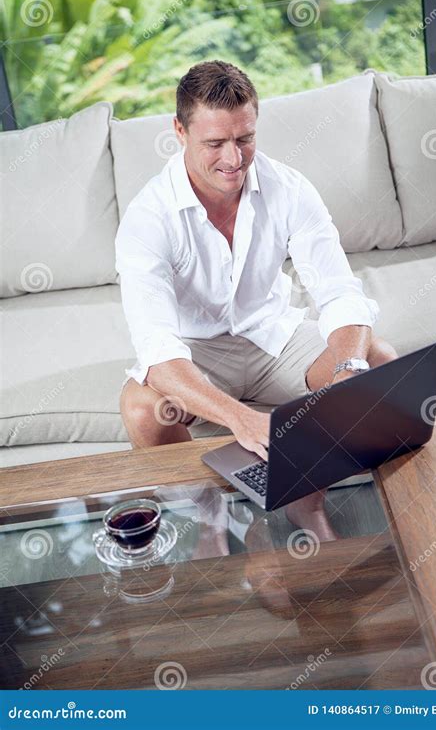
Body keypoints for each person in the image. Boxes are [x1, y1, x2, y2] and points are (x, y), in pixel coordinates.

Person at [116, 60, 398, 543]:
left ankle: (307, 502)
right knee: (143, 408)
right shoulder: (148, 217)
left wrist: (350, 364)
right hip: (196, 350)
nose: (234, 158)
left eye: (244, 138)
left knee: (381, 363)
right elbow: (157, 349)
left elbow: (337, 291)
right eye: (214, 143)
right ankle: (211, 517)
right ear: (179, 131)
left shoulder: (288, 188)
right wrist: (240, 420)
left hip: (272, 335)